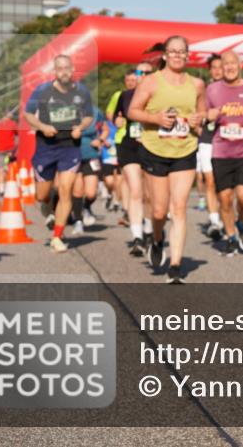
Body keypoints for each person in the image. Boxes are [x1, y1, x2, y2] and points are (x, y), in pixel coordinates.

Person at [129, 37, 206, 284]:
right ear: (164, 55)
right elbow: (133, 111)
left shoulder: (197, 84)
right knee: (160, 210)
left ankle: (175, 265)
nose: (176, 56)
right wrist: (157, 119)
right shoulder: (151, 82)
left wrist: (197, 120)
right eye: (172, 52)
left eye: (181, 52)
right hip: (155, 150)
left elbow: (202, 112)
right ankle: (158, 238)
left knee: (179, 207)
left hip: (185, 149)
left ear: (187, 55)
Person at [24, 54, 94, 253]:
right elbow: (28, 114)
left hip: (70, 146)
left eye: (67, 68)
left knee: (66, 190)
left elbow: (88, 116)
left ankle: (57, 236)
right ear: (54, 71)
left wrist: (80, 127)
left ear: (72, 70)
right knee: (42, 195)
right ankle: (47, 207)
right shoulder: (42, 91)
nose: (64, 71)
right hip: (46, 146)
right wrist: (42, 126)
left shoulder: (82, 91)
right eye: (59, 68)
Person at [204, 50, 243, 256]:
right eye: (225, 64)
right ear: (220, 68)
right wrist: (208, 116)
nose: (229, 67)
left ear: (240, 65)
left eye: (233, 63)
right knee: (224, 199)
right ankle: (231, 236)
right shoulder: (212, 90)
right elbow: (202, 115)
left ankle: (241, 222)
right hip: (221, 152)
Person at [112, 62, 154, 255]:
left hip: (153, 146)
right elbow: (114, 116)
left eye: (147, 72)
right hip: (129, 146)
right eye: (140, 72)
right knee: (136, 190)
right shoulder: (125, 95)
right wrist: (117, 121)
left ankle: (149, 231)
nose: (143, 75)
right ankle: (137, 237)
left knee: (150, 194)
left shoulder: (160, 94)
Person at [197, 54, 225, 239]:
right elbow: (194, 114)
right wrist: (199, 125)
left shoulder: (232, 90)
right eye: (213, 67)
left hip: (226, 142)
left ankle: (225, 218)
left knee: (224, 185)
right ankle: (214, 221)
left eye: (220, 67)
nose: (217, 70)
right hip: (207, 140)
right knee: (210, 181)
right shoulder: (202, 90)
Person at [71, 105, 107, 234]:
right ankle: (78, 222)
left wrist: (100, 140)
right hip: (73, 155)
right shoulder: (68, 111)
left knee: (91, 192)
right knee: (78, 190)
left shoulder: (96, 112)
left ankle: (86, 207)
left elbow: (105, 129)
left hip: (91, 155)